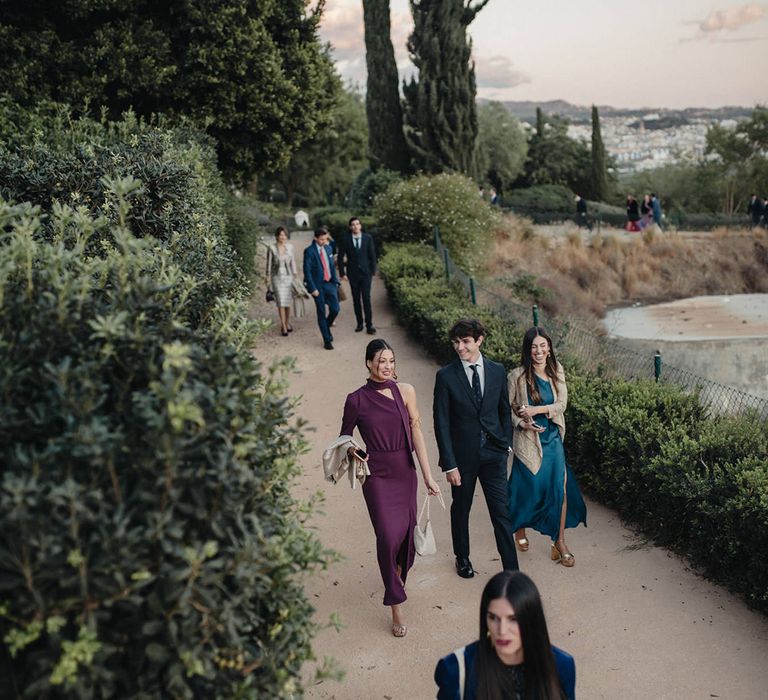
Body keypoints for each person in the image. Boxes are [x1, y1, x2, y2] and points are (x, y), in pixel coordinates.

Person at [339, 339, 441, 637]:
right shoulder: (355, 399)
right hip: (377, 477)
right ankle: (396, 605)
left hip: (404, 472)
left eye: (392, 361)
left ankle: (396, 577)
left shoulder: (405, 391)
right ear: (369, 362)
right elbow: (344, 437)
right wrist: (353, 451)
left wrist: (428, 475)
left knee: (404, 538)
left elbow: (417, 434)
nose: (387, 366)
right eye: (382, 361)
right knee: (386, 536)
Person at [433, 319, 519, 579]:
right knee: (461, 509)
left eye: (466, 341)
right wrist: (449, 464)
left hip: (494, 454)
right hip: (462, 459)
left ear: (479, 339)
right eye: (456, 342)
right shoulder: (446, 376)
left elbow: (504, 410)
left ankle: (511, 570)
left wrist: (504, 443)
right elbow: (442, 422)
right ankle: (462, 557)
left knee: (502, 514)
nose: (460, 348)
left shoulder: (496, 370)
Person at [508, 327, 586, 566]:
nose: (539, 351)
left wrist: (538, 410)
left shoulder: (556, 371)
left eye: (543, 346)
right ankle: (519, 528)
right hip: (528, 440)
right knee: (528, 488)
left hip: (552, 437)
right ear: (527, 350)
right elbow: (507, 408)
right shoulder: (516, 375)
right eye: (534, 346)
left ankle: (559, 540)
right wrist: (523, 421)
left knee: (558, 489)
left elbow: (561, 404)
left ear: (549, 348)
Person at [435, 570, 576, 700]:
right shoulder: (455, 669)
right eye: (493, 617)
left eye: (513, 619)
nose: (502, 631)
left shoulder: (562, 666)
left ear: (531, 620)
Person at [338, 216, 378, 335]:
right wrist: (342, 273)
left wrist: (373, 270)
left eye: (357, 224)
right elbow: (340, 257)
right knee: (356, 299)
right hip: (353, 273)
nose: (355, 226)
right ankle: (359, 323)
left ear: (360, 226)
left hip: (366, 273)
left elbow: (372, 255)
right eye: (353, 224)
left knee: (366, 298)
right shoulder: (346, 239)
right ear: (350, 227)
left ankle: (369, 325)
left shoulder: (367, 238)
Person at [303, 226, 340, 350]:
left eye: (325, 239)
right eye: (321, 239)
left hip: (330, 284)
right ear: (315, 238)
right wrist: (312, 288)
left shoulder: (329, 248)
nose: (324, 241)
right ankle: (327, 339)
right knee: (321, 313)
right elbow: (307, 271)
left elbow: (332, 267)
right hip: (317, 287)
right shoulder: (309, 251)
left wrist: (336, 282)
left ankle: (326, 327)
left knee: (335, 309)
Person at [265, 226, 297, 336]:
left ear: (286, 236)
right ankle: (283, 325)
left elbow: (293, 262)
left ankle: (287, 323)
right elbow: (268, 264)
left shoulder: (290, 247)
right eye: (280, 235)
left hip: (288, 277)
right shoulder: (271, 248)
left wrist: (295, 275)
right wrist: (267, 277)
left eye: (284, 235)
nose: (282, 237)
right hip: (276, 277)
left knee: (288, 302)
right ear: (277, 236)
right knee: (281, 302)